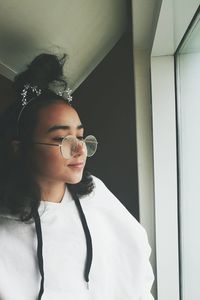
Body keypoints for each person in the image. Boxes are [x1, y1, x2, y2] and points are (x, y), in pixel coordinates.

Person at [0, 53, 154, 300]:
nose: (79, 148)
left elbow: (134, 258)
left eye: (80, 136)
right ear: (20, 147)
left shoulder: (95, 194)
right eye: (62, 139)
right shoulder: (6, 225)